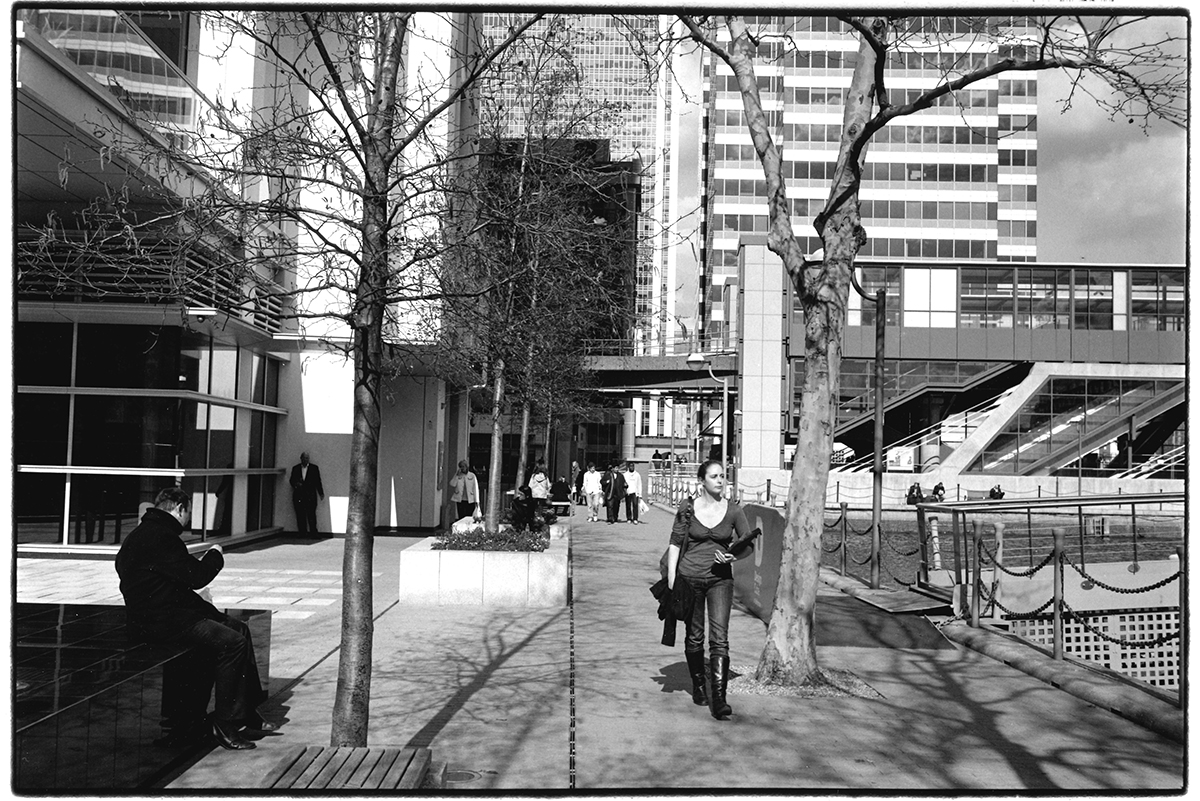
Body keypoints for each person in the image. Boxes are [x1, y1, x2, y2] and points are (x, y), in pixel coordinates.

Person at [115, 488, 274, 751]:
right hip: (165, 622)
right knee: (232, 642)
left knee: (239, 629)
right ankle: (225, 722)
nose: (188, 518)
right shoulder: (163, 538)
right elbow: (197, 576)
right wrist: (215, 553)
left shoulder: (140, 535)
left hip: (161, 615)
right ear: (179, 508)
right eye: (188, 511)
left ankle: (246, 711)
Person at [666, 460, 751, 721]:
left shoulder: (734, 511)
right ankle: (699, 686)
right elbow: (675, 543)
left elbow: (747, 545)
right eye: (714, 476)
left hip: (720, 581)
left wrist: (732, 558)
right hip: (689, 579)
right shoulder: (688, 508)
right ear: (701, 480)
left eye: (723, 476)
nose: (720, 480)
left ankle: (720, 699)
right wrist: (671, 582)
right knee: (694, 637)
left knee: (720, 638)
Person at [289, 452, 325, 536]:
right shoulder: (296, 468)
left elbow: (317, 481)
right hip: (299, 494)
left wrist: (321, 493)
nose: (306, 460)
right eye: (304, 458)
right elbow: (291, 480)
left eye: (307, 458)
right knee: (300, 514)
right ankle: (302, 532)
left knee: (311, 514)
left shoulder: (314, 468)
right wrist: (296, 484)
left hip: (310, 495)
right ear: (301, 458)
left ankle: (313, 533)